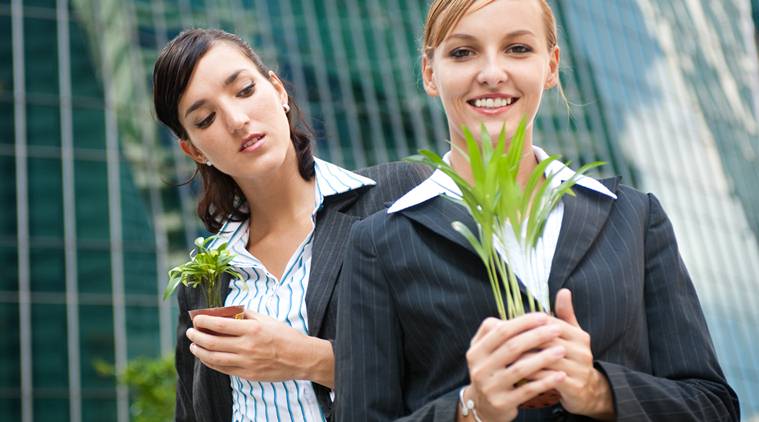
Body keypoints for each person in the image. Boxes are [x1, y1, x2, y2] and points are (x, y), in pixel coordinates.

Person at [334, 0, 740, 421]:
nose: (491, 73)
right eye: (462, 52)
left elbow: (713, 406)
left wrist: (597, 391)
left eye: (518, 49)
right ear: (430, 73)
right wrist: (469, 409)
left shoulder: (634, 218)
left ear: (551, 66)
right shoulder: (379, 242)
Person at [152, 28, 429, 422]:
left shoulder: (395, 196)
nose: (236, 119)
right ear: (194, 150)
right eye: (206, 118)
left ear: (278, 90)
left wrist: (308, 359)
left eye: (245, 90)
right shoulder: (205, 278)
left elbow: (451, 367)